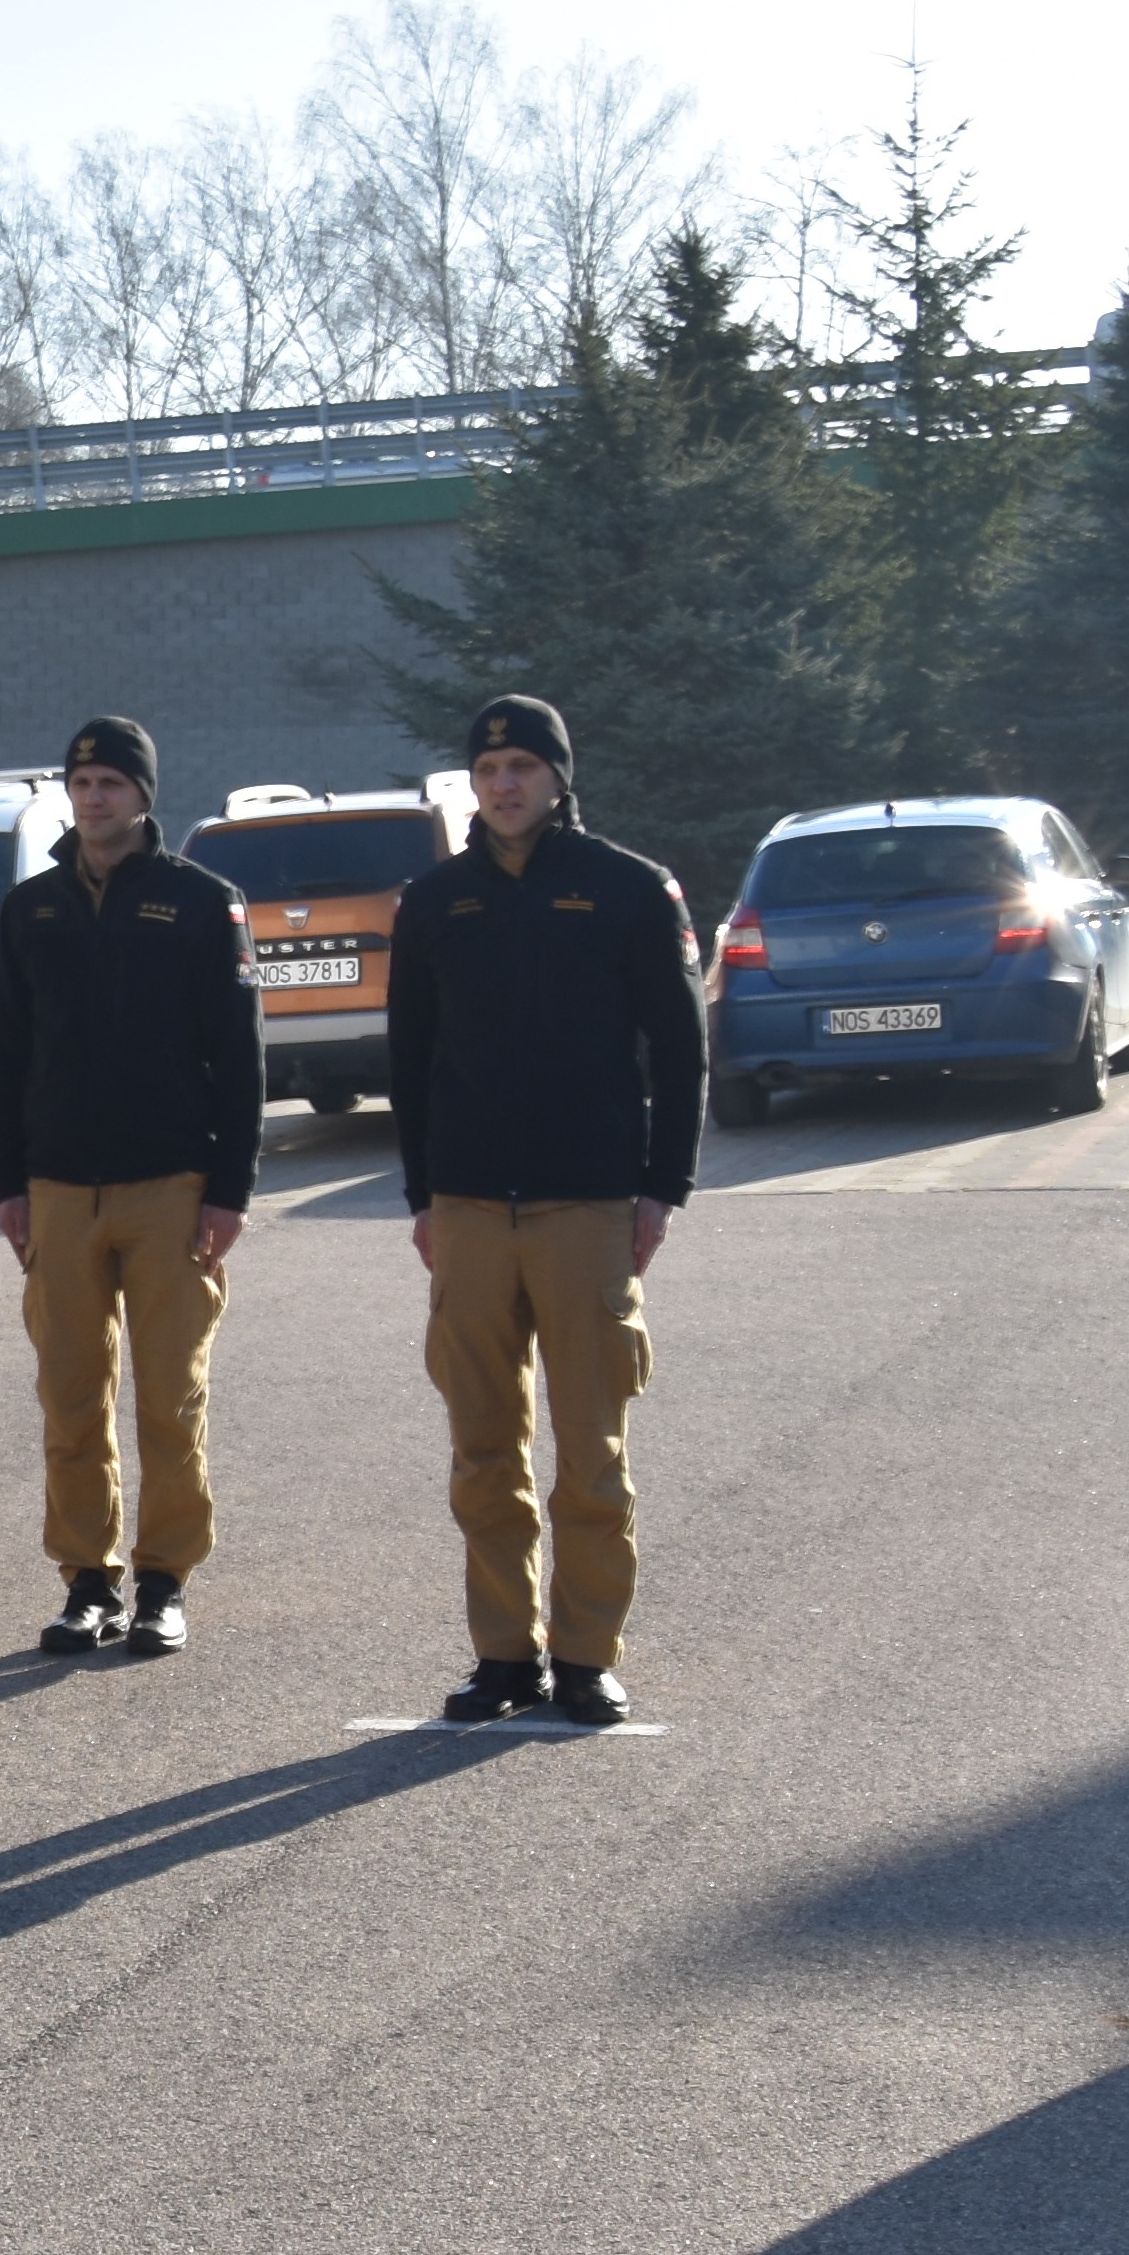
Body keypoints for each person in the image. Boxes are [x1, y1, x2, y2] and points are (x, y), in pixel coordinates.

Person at [380, 691, 704, 1729]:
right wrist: (423, 1196)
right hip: (470, 1210)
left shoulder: (629, 889)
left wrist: (661, 1190)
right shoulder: (435, 901)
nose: (503, 784)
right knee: (483, 1454)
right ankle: (504, 1656)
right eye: (487, 770)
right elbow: (409, 1061)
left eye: (521, 766)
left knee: (592, 1455)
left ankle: (585, 1656)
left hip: (587, 1207)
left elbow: (682, 1051)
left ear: (559, 776)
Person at [0, 713, 258, 1657]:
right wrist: (9, 1183)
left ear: (143, 795)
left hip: (171, 1187)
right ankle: (88, 1581)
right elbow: (8, 1056)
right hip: (58, 1191)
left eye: (111, 783)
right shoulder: (31, 909)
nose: (94, 798)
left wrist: (230, 1191)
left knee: (170, 1400)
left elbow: (240, 1057)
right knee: (70, 1398)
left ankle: (164, 1582)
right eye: (82, 783)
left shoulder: (201, 902)